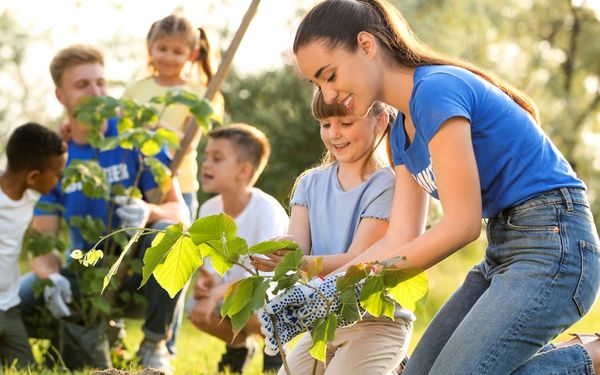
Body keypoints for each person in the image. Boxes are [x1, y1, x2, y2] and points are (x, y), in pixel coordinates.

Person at [275, 0, 600, 374]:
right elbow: (397, 240)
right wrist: (326, 289)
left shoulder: (434, 91)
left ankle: (588, 358)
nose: (328, 95)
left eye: (329, 76)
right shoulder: (399, 136)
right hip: (505, 249)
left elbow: (461, 226)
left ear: (366, 46)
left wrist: (343, 288)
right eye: (317, 84)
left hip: (555, 246)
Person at [18, 44, 189, 374]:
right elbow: (42, 242)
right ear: (60, 95)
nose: (96, 93)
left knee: (171, 236)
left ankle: (154, 346)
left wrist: (147, 211)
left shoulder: (137, 140)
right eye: (83, 85)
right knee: (23, 295)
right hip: (86, 276)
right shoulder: (54, 160)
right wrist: (50, 277)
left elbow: (180, 213)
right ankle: (88, 341)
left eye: (100, 83)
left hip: (138, 276)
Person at [252, 91, 413, 375]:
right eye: (326, 124)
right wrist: (280, 251)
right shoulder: (309, 183)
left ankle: (396, 367)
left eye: (346, 123)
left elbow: (358, 262)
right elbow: (298, 247)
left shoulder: (388, 185)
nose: (334, 133)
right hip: (326, 321)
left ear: (380, 121)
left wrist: (301, 263)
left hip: (377, 322)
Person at [187, 123, 289, 373]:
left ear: (244, 171)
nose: (206, 163)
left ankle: (276, 357)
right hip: (233, 295)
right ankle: (239, 348)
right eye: (206, 156)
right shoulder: (208, 210)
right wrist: (208, 283)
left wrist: (217, 293)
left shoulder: (266, 209)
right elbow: (212, 266)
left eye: (217, 158)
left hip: (273, 298)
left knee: (258, 312)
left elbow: (264, 279)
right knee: (196, 309)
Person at [122, 13, 225, 220]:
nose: (168, 57)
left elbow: (187, 144)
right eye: (162, 49)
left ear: (192, 54)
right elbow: (120, 133)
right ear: (151, 47)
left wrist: (155, 127)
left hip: (180, 188)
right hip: (136, 186)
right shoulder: (135, 90)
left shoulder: (200, 95)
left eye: (177, 51)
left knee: (173, 246)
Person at [0, 123, 66, 369]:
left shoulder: (30, 195)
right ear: (33, 177)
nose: (59, 180)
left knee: (26, 369)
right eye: (57, 174)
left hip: (10, 306)